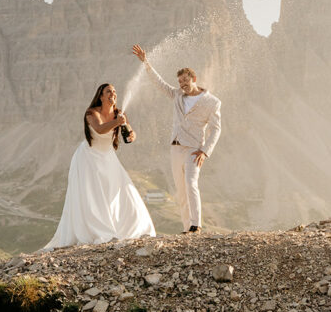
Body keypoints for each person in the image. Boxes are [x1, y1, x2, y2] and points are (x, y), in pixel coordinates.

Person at [43, 83, 156, 249]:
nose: (113, 94)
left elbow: (130, 131)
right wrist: (117, 122)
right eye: (108, 91)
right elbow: (100, 129)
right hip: (88, 158)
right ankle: (98, 231)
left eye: (115, 91)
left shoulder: (119, 113)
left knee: (123, 189)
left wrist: (132, 134)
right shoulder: (91, 113)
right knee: (93, 195)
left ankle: (132, 228)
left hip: (108, 157)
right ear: (101, 96)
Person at [131, 44, 222, 233]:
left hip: (194, 149)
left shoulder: (212, 102)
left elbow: (216, 129)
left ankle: (196, 225)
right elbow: (160, 83)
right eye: (180, 82)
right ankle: (187, 227)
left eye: (186, 81)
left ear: (194, 79)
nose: (183, 85)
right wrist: (146, 62)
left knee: (191, 182)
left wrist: (205, 151)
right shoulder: (177, 95)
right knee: (180, 189)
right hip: (176, 147)